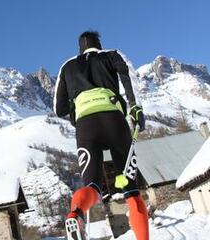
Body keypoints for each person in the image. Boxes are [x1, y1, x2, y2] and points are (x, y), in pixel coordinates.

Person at [53, 31, 149, 240]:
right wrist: (135, 108)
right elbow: (128, 77)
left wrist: (75, 110)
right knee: (131, 190)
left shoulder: (67, 66)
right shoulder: (111, 55)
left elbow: (58, 108)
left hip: (86, 125)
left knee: (93, 186)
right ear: (99, 43)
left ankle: (75, 214)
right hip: (113, 120)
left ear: (80, 47)